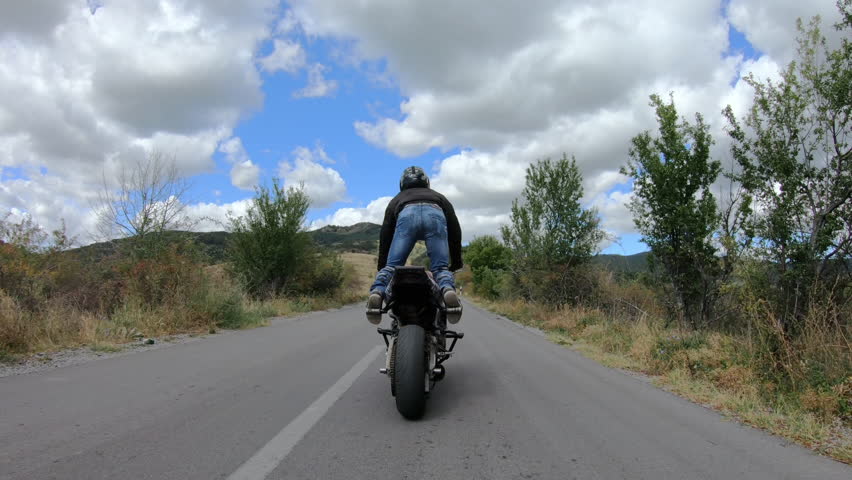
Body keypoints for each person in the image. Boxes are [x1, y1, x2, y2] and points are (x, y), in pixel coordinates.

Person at [367, 166, 463, 324]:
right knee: (440, 268)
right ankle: (447, 290)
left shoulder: (397, 198)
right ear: (426, 182)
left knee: (393, 267)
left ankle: (377, 292)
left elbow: (385, 234)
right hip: (435, 213)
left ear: (402, 184)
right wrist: (457, 261)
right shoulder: (439, 197)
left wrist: (382, 265)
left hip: (407, 214)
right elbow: (454, 230)